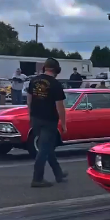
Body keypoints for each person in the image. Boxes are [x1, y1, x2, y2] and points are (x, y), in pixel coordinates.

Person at [26, 58, 67, 188]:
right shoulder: (55, 84)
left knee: (47, 146)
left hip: (36, 119)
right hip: (49, 120)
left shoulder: (33, 81)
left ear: (45, 67)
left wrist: (31, 116)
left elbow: (29, 101)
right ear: (56, 70)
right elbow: (60, 107)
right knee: (44, 149)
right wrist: (64, 124)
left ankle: (58, 173)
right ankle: (37, 178)